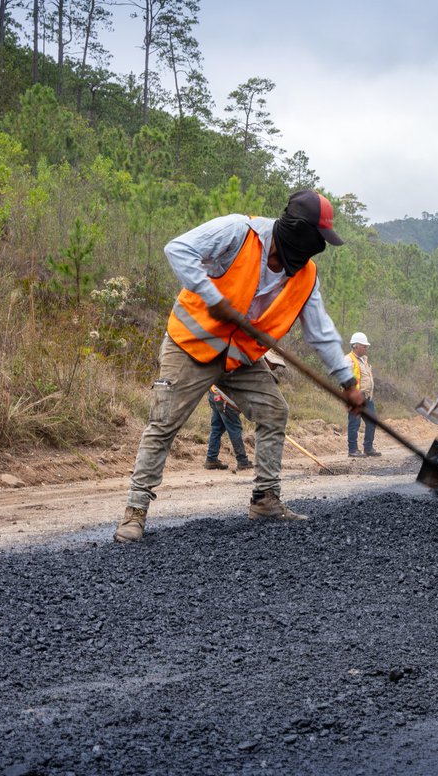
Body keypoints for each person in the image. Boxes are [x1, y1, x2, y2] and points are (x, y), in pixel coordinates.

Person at [114, 190, 365, 543]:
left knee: (274, 410)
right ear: (297, 230)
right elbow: (177, 249)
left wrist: (347, 382)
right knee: (164, 422)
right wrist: (211, 297)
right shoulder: (237, 232)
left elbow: (321, 332)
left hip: (240, 358)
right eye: (315, 239)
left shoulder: (306, 276)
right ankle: (135, 511)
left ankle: (265, 500)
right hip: (191, 347)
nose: (316, 248)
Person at [347, 332, 381, 457]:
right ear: (356, 346)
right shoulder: (348, 360)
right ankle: (353, 450)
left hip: (366, 397)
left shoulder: (364, 360)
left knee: (372, 421)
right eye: (364, 345)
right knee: (354, 423)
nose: (366, 348)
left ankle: (368, 448)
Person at [205, 385, 253, 470]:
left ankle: (211, 459)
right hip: (225, 398)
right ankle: (242, 461)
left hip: (214, 393)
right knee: (234, 430)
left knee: (217, 428)